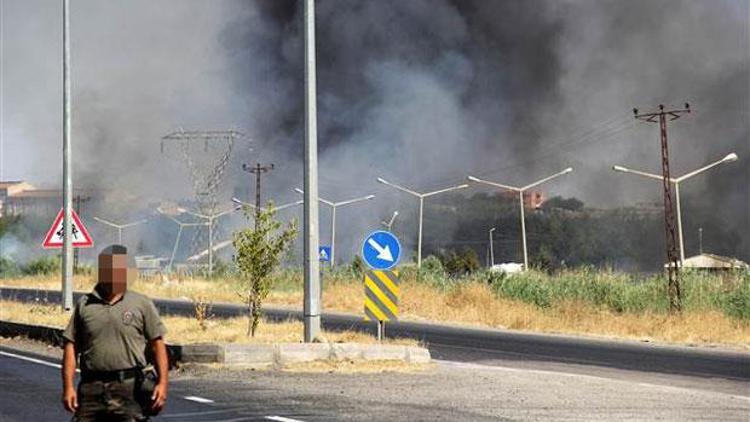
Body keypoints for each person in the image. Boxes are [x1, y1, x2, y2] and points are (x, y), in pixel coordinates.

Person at [61, 244, 169, 421]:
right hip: (91, 389)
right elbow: (71, 346)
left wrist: (163, 384)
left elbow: (158, 345)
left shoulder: (141, 304)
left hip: (128, 389)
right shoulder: (85, 305)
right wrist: (68, 387)